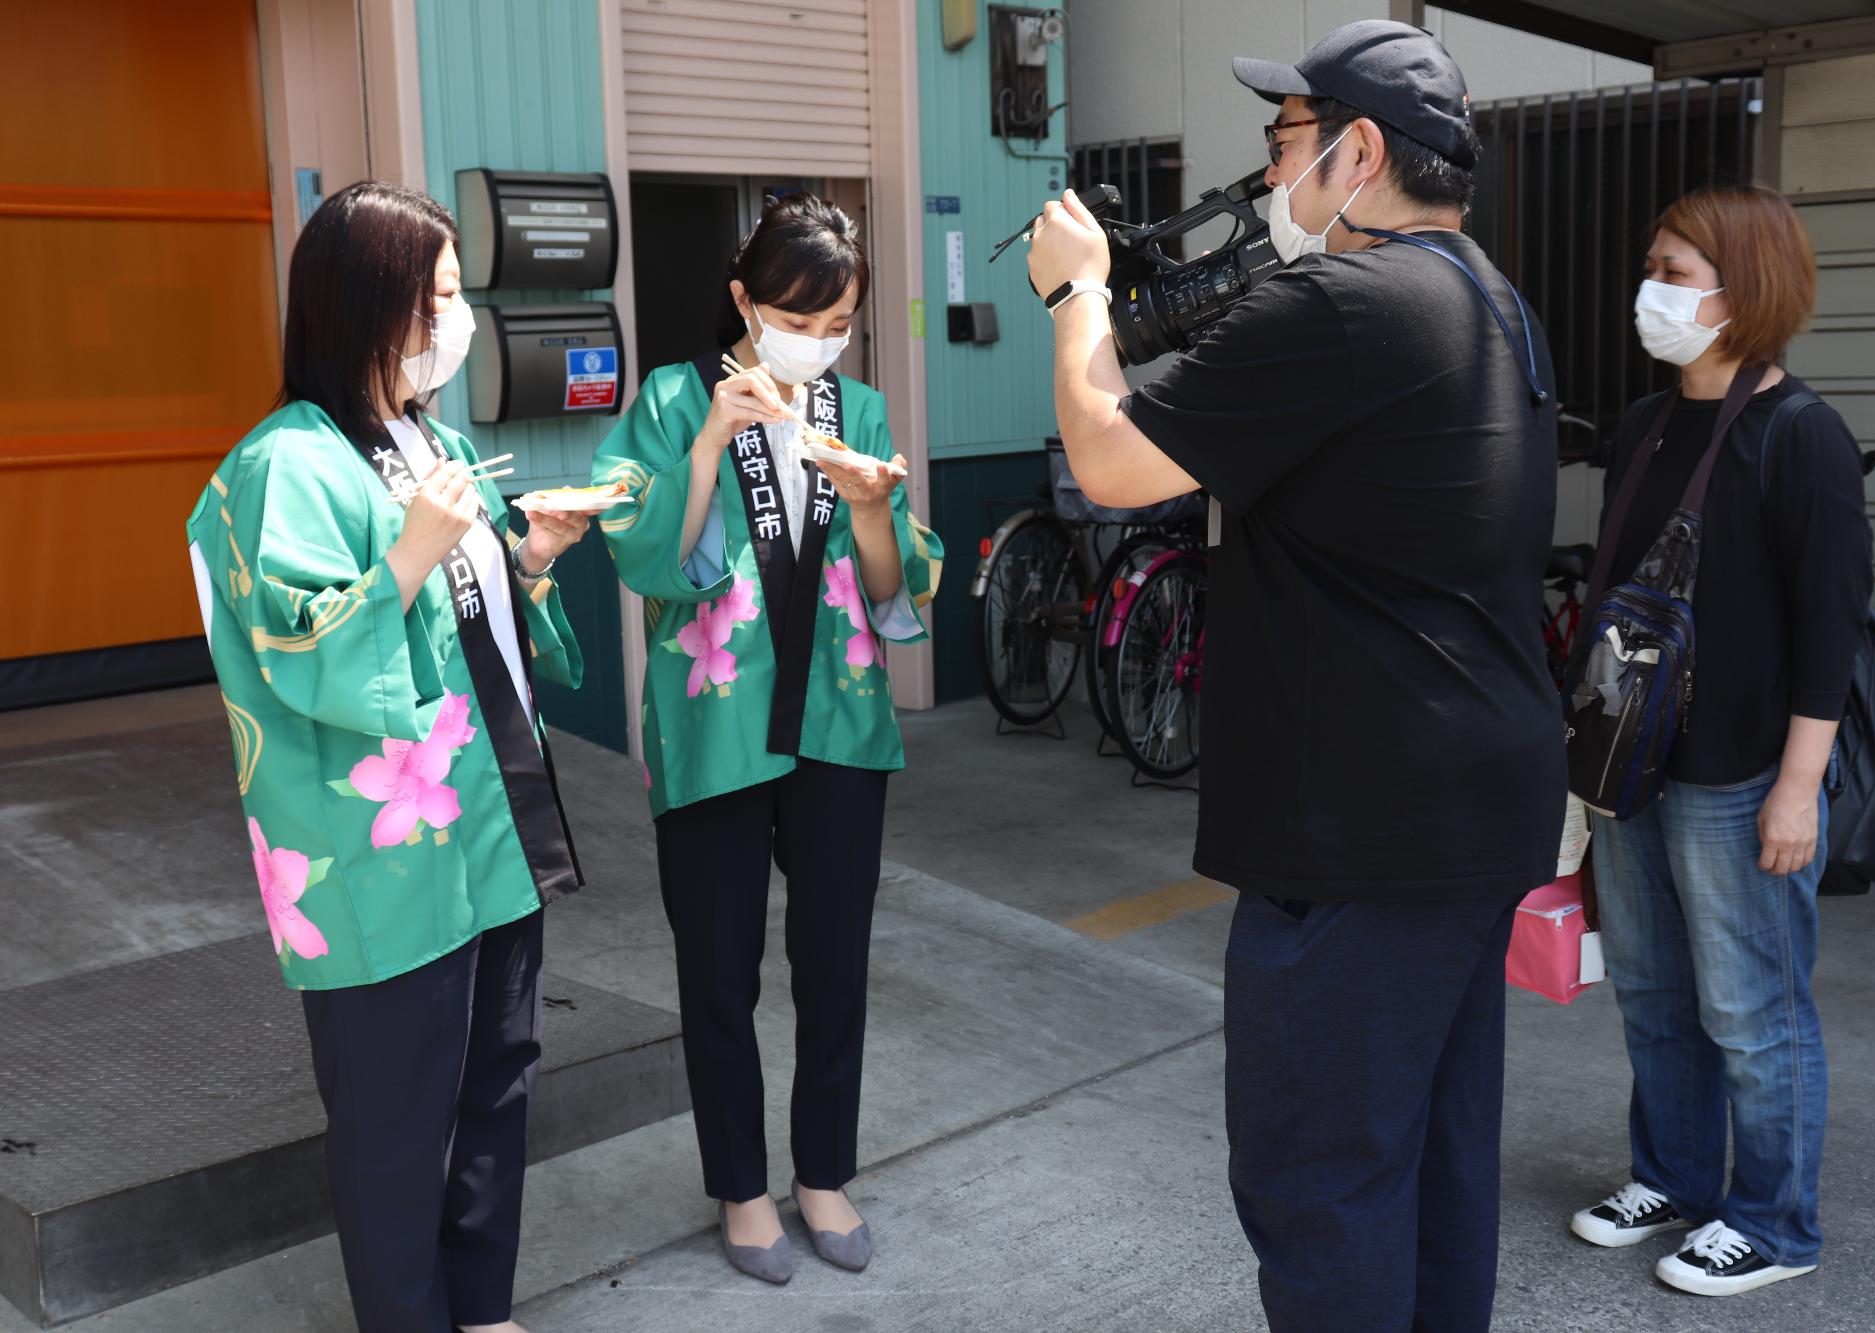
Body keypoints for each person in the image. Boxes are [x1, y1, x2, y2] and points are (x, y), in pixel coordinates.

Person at [1027, 20, 1563, 1332]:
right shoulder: (1490, 297)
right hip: (1467, 807)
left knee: (1320, 1179)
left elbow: (1108, 463)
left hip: (1361, 831)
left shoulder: (1347, 304)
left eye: (1284, 142)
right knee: (1430, 1158)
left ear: (1358, 152)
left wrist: (1075, 293)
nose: (1269, 177)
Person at [185, 180, 591, 1333]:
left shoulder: (430, 435)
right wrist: (414, 552)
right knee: (394, 1126)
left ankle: (483, 1307)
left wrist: (530, 557)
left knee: (495, 1084)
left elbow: (467, 626)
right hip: (375, 859)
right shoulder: (283, 464)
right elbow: (292, 650)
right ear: (370, 305)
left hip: (486, 825)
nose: (455, 323)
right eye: (440, 298)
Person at [591, 194, 943, 1285]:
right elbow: (643, 552)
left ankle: (822, 1172)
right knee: (718, 968)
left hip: (839, 720)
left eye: (838, 319)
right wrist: (706, 441)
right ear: (744, 299)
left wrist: (874, 511)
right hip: (717, 728)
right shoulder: (666, 399)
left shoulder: (861, 409)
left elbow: (893, 590)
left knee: (834, 962)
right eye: (798, 312)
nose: (818, 337)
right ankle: (742, 1188)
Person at [1567, 185, 1870, 1298]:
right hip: (1631, 766)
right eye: (1650, 265)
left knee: (1752, 1008)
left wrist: (1798, 788)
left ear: (1745, 289)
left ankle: (1774, 1223)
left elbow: (1827, 631)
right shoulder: (1645, 429)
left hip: (1739, 775)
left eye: (1675, 272)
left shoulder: (1800, 436)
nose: (1650, 289)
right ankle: (1674, 1177)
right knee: (1650, 992)